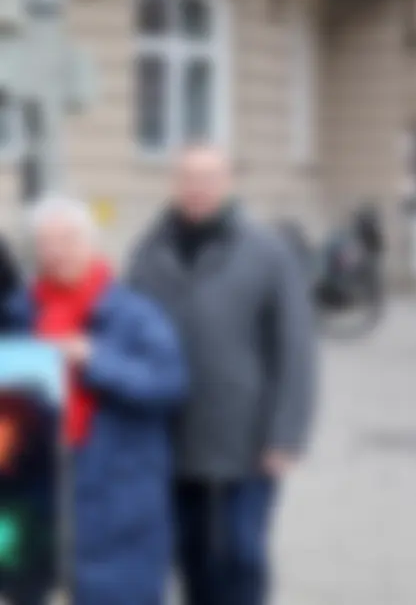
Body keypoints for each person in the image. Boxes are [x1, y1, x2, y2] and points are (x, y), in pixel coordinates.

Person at [124, 144, 316, 605]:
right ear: (175, 184)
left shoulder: (266, 251)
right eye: (188, 178)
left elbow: (294, 348)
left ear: (228, 183)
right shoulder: (150, 251)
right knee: (190, 553)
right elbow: (126, 333)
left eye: (209, 178)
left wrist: (285, 435)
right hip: (172, 434)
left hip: (246, 435)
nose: (198, 188)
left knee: (242, 551)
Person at [2, 196, 188, 605]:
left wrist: (95, 359)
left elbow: (168, 384)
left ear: (92, 244)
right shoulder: (18, 315)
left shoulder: (135, 314)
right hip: (36, 489)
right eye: (47, 243)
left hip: (116, 497)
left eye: (68, 240)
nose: (57, 252)